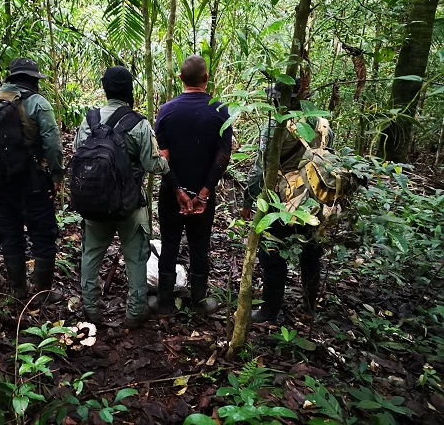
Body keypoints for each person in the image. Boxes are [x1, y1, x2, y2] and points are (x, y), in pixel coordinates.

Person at [74, 66, 170, 328]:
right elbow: (153, 166)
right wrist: (166, 162)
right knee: (136, 258)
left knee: (91, 254)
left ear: (105, 89)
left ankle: (91, 309)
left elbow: (77, 154)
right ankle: (135, 312)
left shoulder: (88, 120)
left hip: (94, 203)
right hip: (129, 206)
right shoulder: (138, 123)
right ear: (129, 90)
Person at [241, 80, 334, 322]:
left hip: (284, 200)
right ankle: (310, 305)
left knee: (272, 252)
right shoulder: (321, 122)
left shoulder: (276, 129)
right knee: (311, 252)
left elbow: (260, 169)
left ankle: (270, 310)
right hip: (316, 199)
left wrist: (248, 201)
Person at [152, 55, 232, 316]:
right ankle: (198, 301)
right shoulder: (220, 111)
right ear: (206, 79)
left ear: (180, 79)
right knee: (200, 245)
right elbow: (223, 156)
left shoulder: (166, 111)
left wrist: (178, 191)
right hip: (203, 197)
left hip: (171, 194)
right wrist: (204, 194)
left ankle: (165, 303)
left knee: (170, 242)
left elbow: (164, 157)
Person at [0, 58, 65, 304]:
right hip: (33, 179)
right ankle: (42, 293)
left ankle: (18, 289)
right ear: (32, 80)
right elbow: (52, 143)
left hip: (1, 180)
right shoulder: (38, 104)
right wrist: (56, 175)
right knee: (43, 232)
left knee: (9, 232)